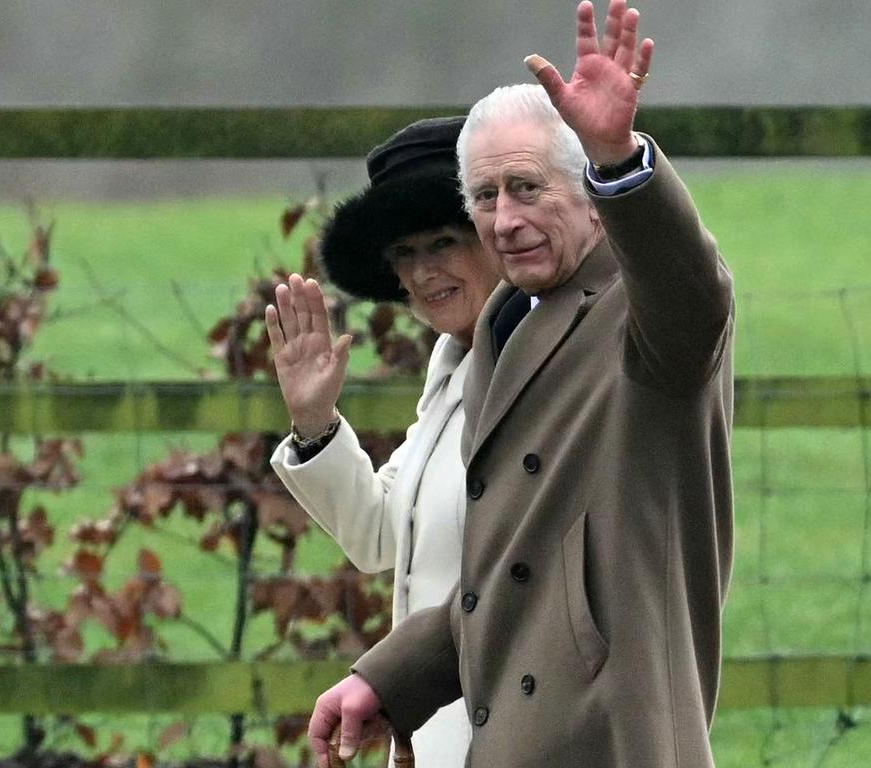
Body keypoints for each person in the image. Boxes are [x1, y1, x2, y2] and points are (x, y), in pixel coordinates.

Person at [307, 2, 735, 767]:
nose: (503, 220)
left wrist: (620, 162)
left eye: (527, 189)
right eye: (484, 198)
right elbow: (507, 577)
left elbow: (694, 292)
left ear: (590, 199)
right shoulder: (504, 326)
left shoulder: (645, 316)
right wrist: (387, 680)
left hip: (615, 743)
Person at [264, 117, 502, 767]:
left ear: (497, 237)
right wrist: (315, 422)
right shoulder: (453, 365)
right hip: (438, 730)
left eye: (442, 242)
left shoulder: (550, 368)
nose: (423, 272)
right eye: (404, 254)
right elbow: (381, 536)